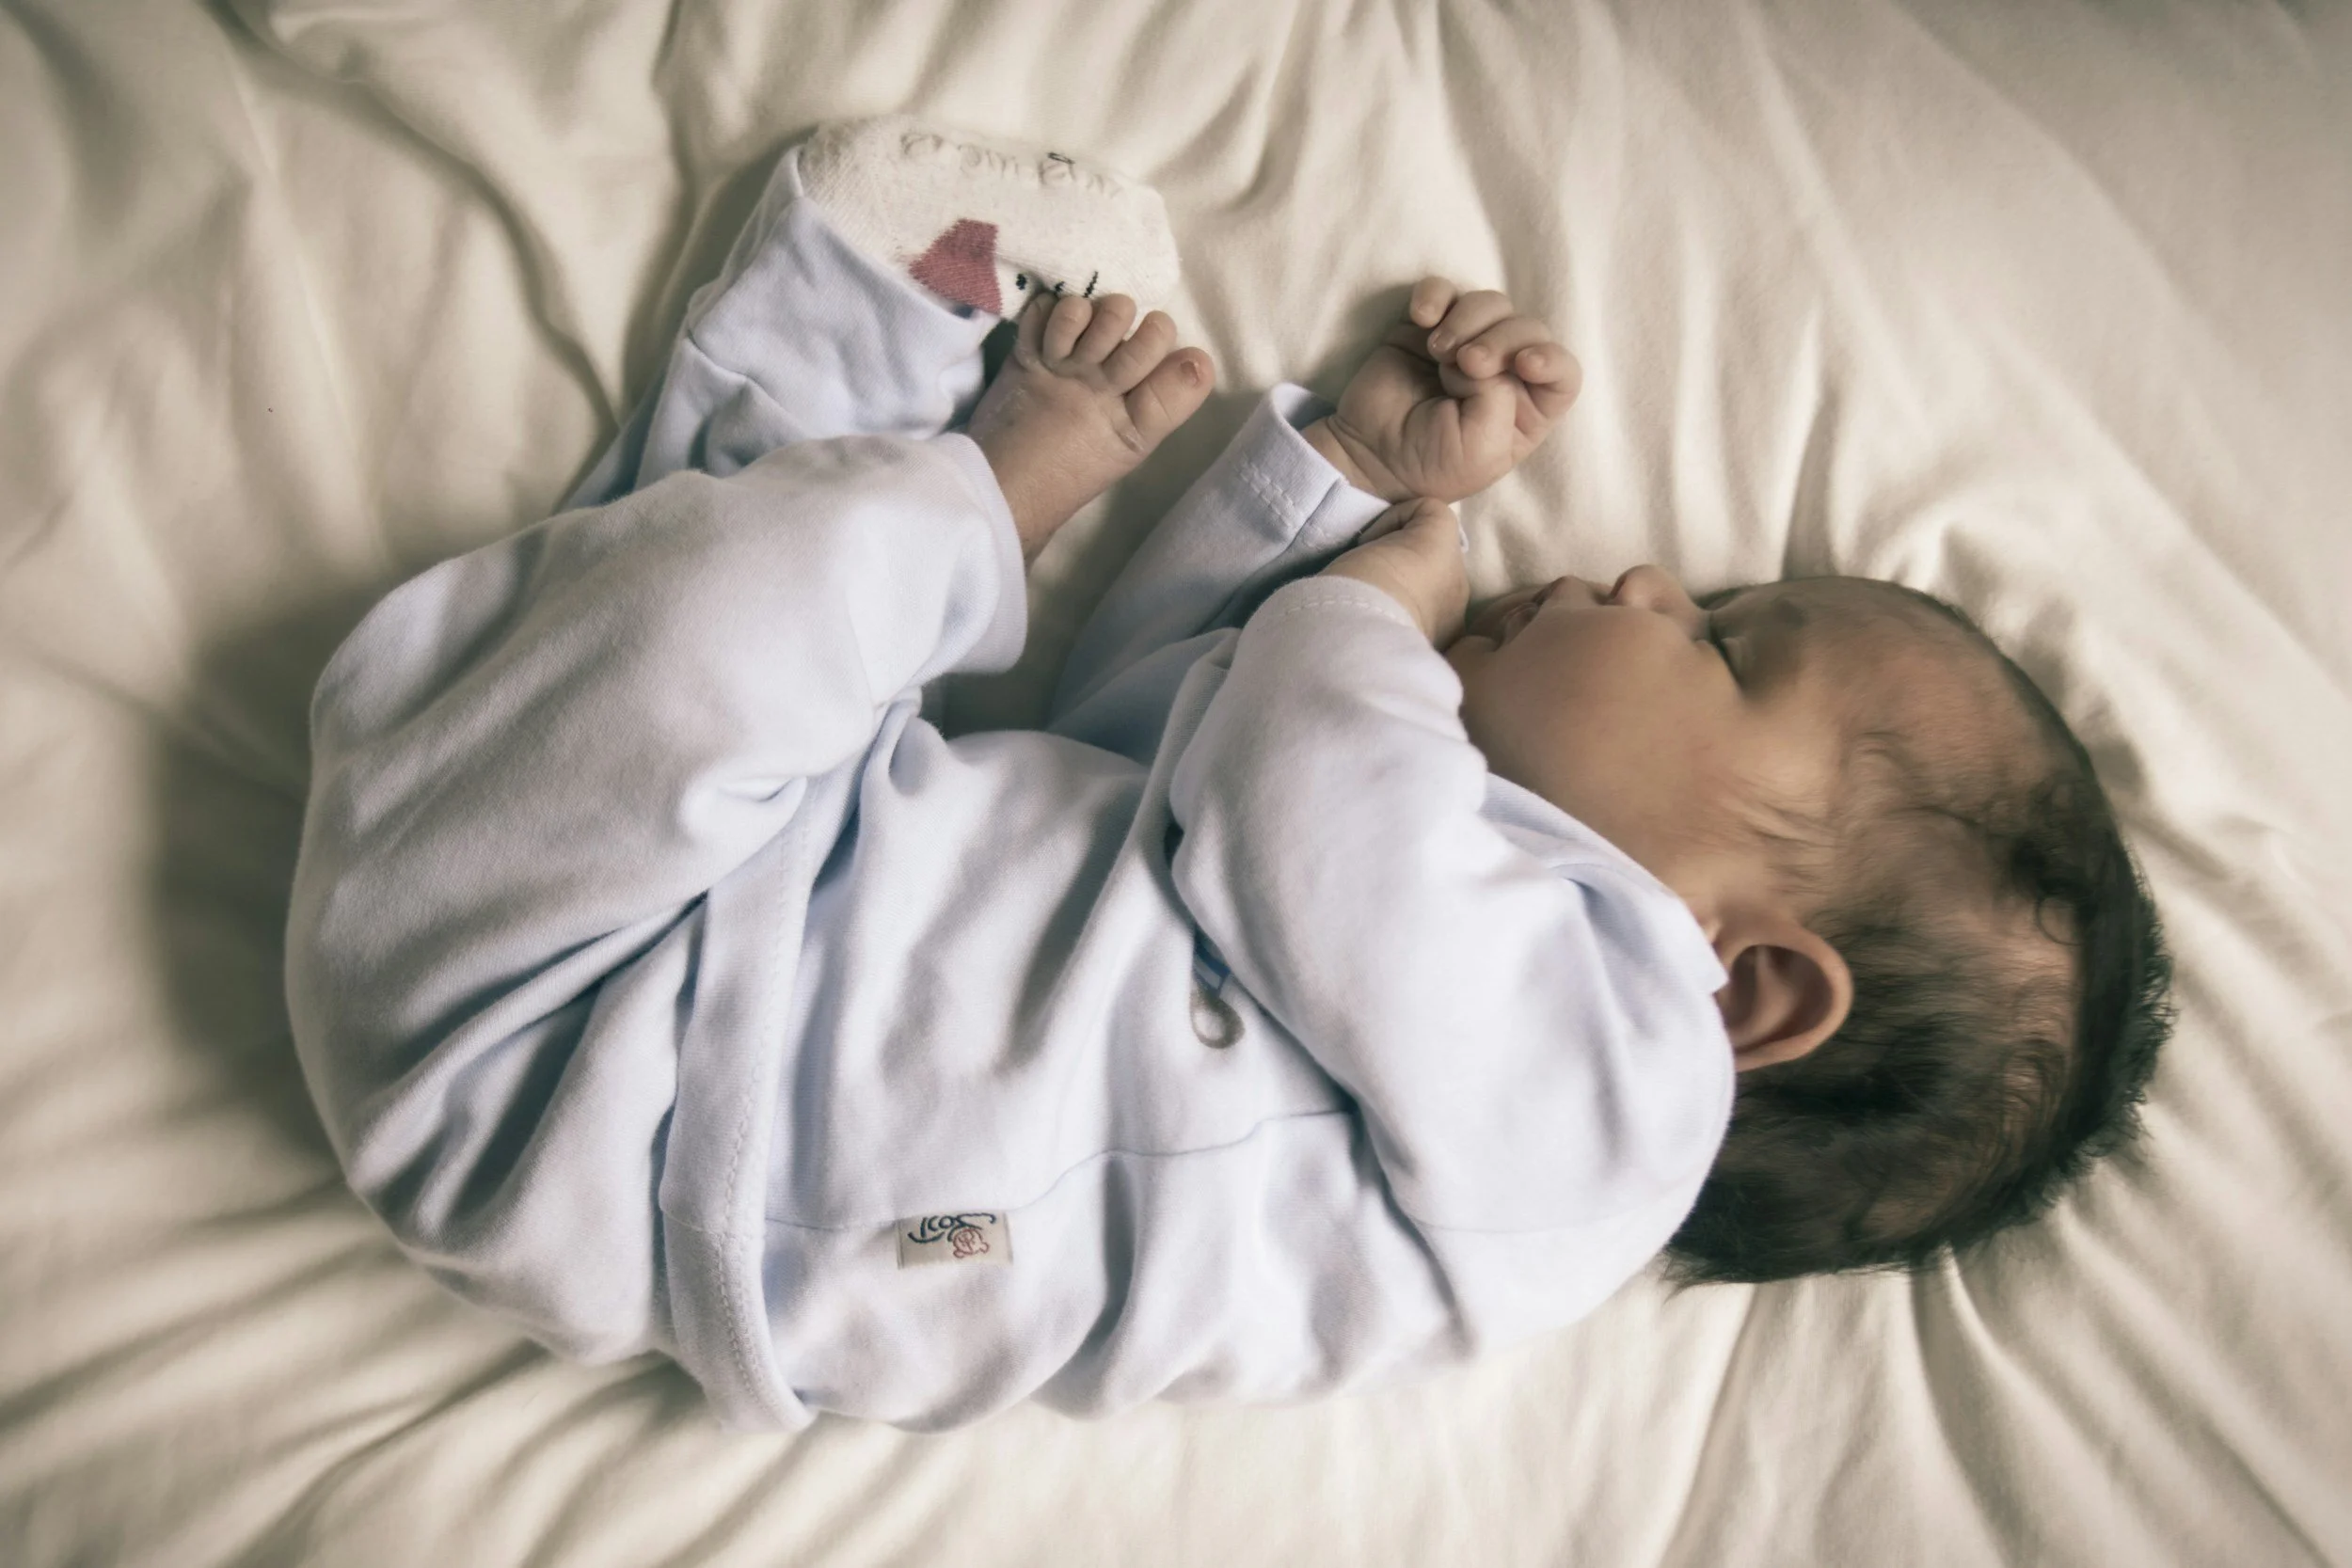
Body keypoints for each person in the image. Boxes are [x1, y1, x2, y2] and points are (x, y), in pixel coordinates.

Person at [284, 119, 2169, 1433]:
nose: (1653, 580)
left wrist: (1372, 596)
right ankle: (870, 398)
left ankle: (943, 436)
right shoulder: (1408, 985)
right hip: (715, 936)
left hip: (588, 1100)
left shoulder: (1609, 1114)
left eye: (1727, 644)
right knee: (747, 645)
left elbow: (1301, 794)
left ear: (1746, 980)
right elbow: (1140, 755)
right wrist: (1351, 473)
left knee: (732, 624)